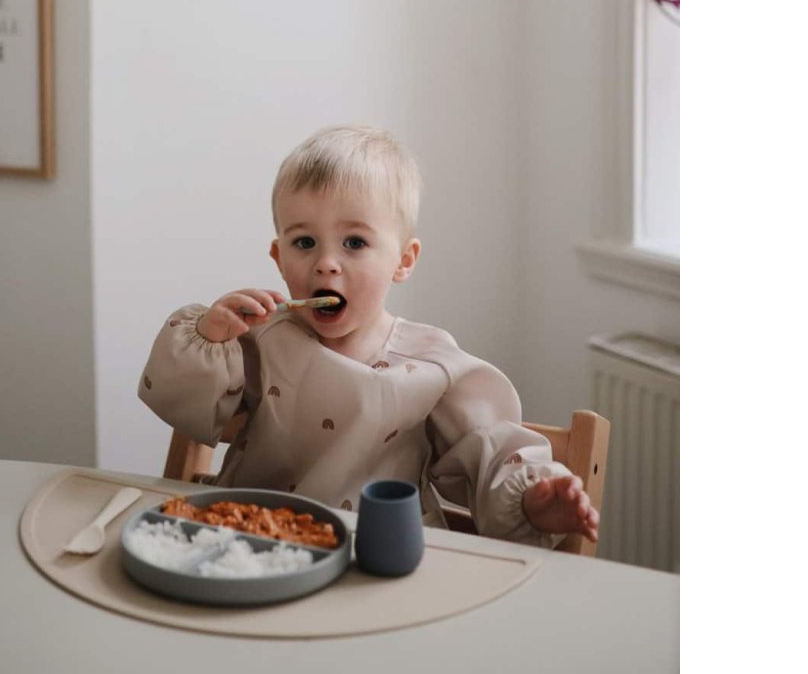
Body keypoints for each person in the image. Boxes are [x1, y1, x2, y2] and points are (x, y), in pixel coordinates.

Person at [139, 125, 599, 547]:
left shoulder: (432, 366)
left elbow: (492, 450)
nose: (326, 263)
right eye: (304, 243)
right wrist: (210, 335)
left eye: (354, 243)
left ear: (403, 260)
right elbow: (182, 404)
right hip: (252, 544)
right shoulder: (261, 339)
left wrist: (532, 498)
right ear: (278, 258)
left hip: (377, 555)